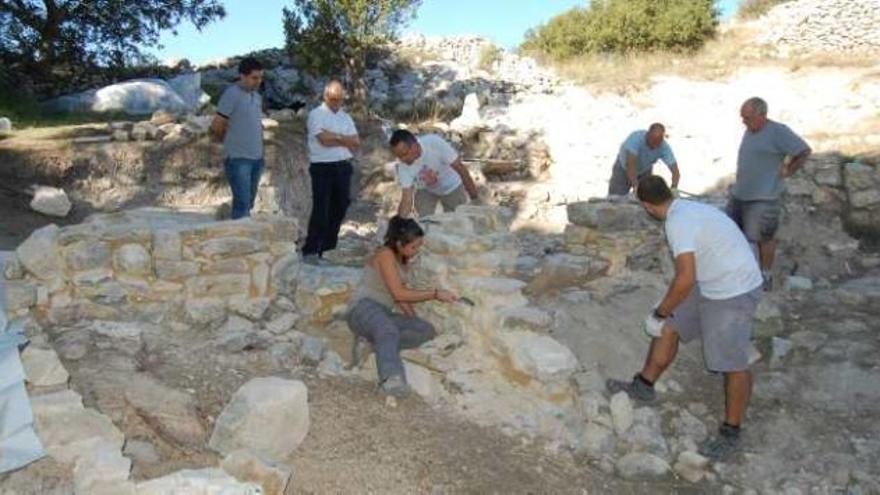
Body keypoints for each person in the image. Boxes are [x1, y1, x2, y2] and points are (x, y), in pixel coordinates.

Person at [607, 175, 763, 462]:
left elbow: (684, 278)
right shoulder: (687, 209)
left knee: (732, 362)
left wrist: (659, 311)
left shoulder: (677, 223)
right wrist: (665, 316)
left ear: (646, 206)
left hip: (734, 289)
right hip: (711, 280)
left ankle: (732, 432)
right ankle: (644, 385)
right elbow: (691, 277)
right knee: (669, 328)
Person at [346, 216, 458, 397]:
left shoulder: (400, 260)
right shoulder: (384, 255)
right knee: (387, 329)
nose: (416, 251)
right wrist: (435, 294)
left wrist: (413, 320)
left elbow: (400, 298)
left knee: (425, 330)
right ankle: (391, 380)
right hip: (362, 309)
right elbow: (399, 293)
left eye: (419, 246)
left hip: (383, 313)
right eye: (414, 247)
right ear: (399, 243)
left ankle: (371, 346)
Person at [728, 97, 811, 291]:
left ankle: (765, 275)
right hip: (740, 194)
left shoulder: (777, 132)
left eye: (747, 118)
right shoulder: (750, 131)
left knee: (764, 237)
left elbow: (803, 150)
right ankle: (741, 274)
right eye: (743, 118)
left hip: (764, 197)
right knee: (733, 234)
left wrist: (789, 170)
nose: (744, 122)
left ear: (761, 115)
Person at [302, 81, 361, 265]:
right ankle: (311, 249)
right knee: (321, 209)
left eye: (340, 99)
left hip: (343, 165)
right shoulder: (316, 115)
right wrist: (344, 139)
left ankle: (327, 249)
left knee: (340, 207)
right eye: (333, 98)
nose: (337, 102)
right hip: (323, 167)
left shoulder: (346, 117)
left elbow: (356, 141)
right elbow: (323, 140)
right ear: (326, 96)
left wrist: (335, 136)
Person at [210, 57, 265, 219]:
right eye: (255, 78)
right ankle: (239, 240)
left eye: (261, 78)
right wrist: (228, 143)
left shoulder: (257, 97)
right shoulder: (231, 94)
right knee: (242, 205)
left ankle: (230, 225)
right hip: (238, 158)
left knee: (249, 202)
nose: (258, 81)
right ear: (243, 76)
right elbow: (217, 124)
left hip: (257, 158)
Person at [388, 129, 479, 218]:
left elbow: (461, 169)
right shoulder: (403, 166)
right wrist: (397, 225)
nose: (402, 160)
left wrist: (475, 198)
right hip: (426, 190)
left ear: (414, 146)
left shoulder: (434, 143)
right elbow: (406, 199)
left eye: (404, 154)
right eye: (399, 157)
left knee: (457, 221)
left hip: (452, 186)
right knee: (424, 220)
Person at [608, 123, 681, 196]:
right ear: (647, 135)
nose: (655, 145)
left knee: (647, 198)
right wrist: (636, 186)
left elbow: (675, 172)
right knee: (615, 198)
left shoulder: (664, 147)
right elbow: (630, 164)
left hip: (644, 170)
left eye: (658, 142)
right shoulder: (635, 139)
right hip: (623, 169)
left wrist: (674, 188)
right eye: (653, 140)